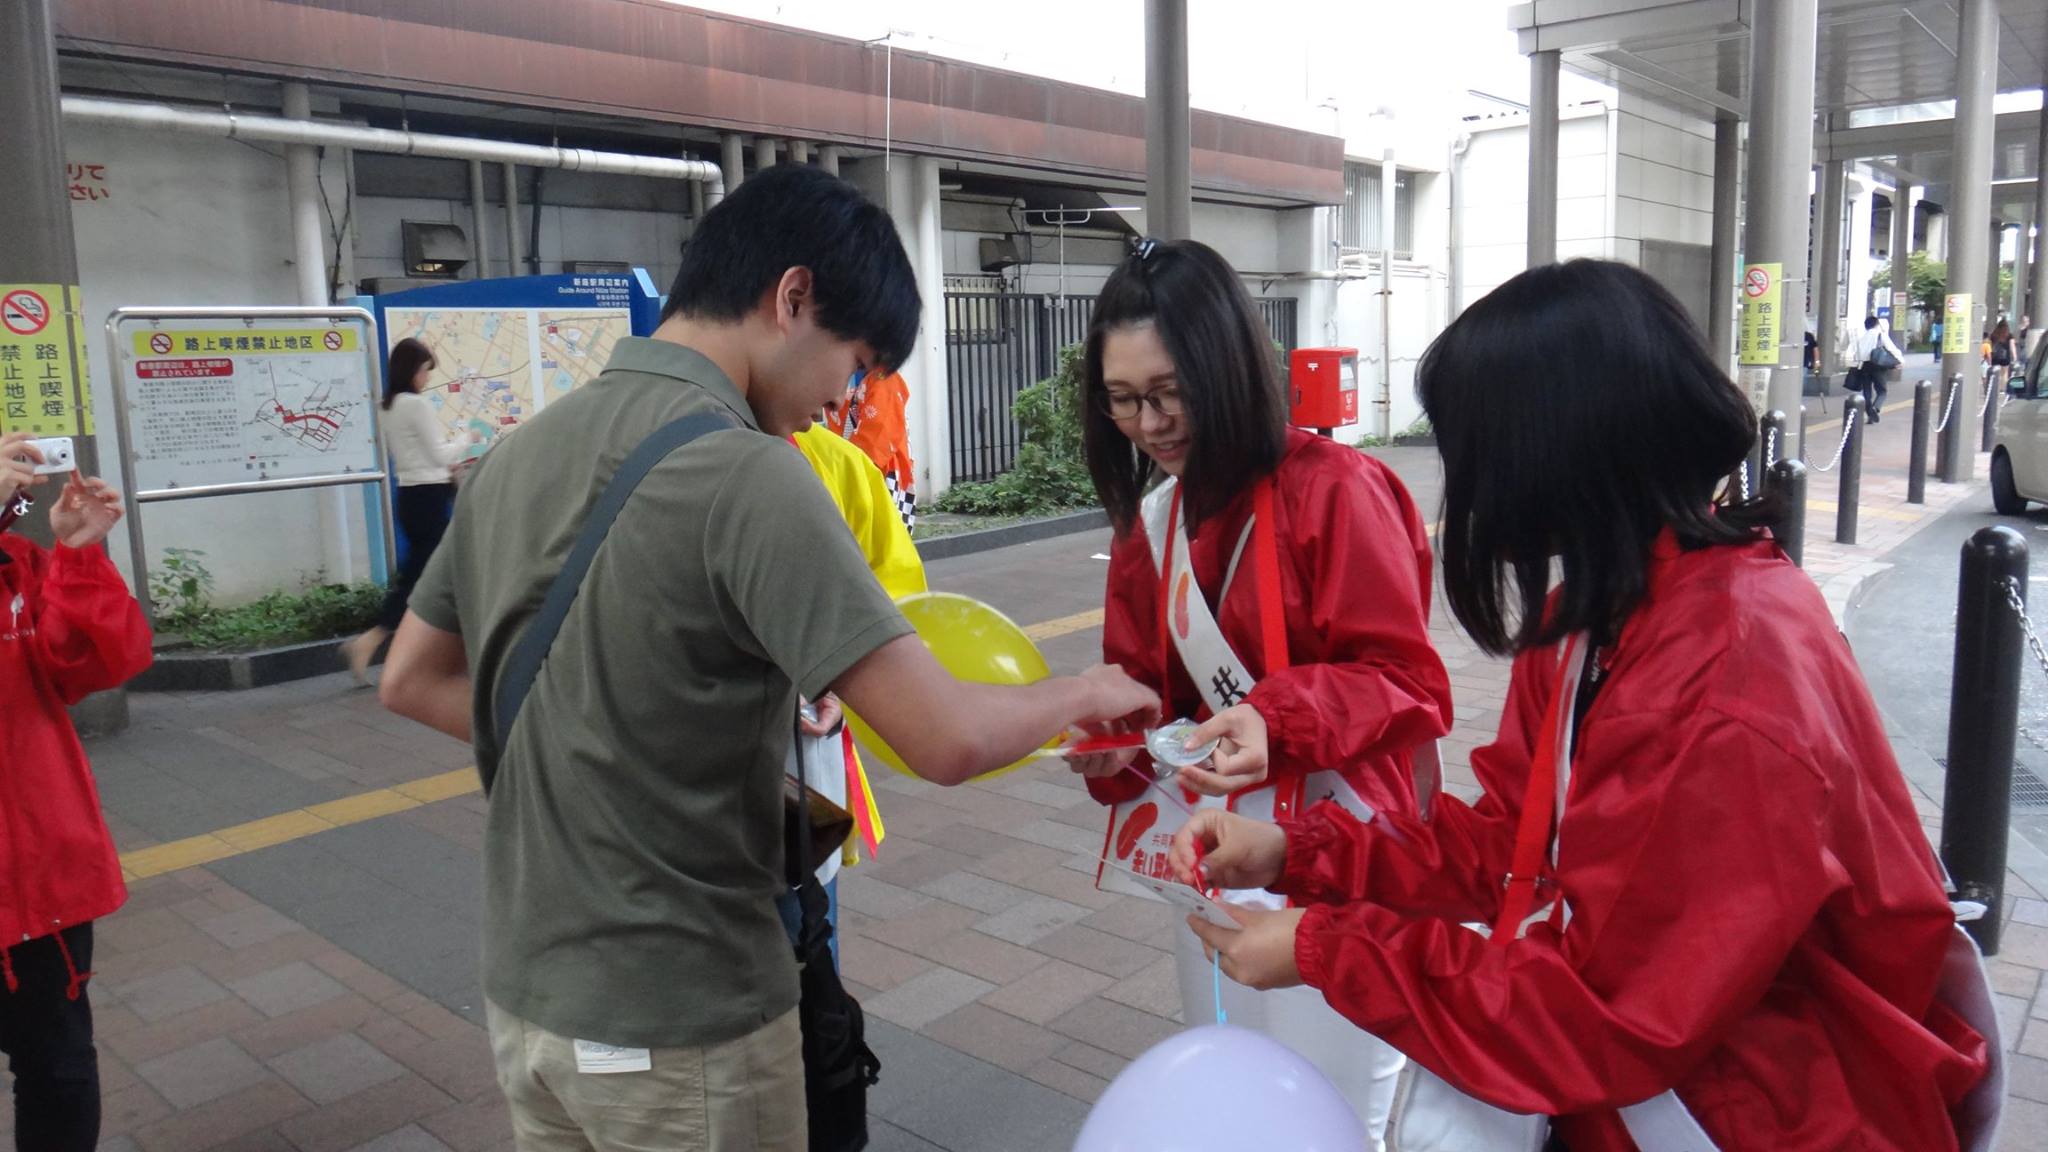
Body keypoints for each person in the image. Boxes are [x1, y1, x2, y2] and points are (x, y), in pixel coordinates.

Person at [378, 165, 1157, 1152]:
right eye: (855, 358)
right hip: (686, 1018)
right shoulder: (752, 474)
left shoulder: (520, 453)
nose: (846, 395)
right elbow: (944, 739)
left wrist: (603, 735)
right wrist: (1082, 688)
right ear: (791, 298)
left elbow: (412, 679)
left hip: (531, 1007)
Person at [1172, 260, 1993, 1151]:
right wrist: (1304, 851)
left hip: (1767, 1117)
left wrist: (1330, 951)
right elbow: (1513, 846)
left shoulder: (1727, 676)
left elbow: (1612, 1015)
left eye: (1472, 449)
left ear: (1551, 452)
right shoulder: (1600, 617)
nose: (1465, 484)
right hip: (1672, 1104)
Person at [1068, 238, 1451, 1150]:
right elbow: (1145, 696)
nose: (1150, 424)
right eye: (1123, 401)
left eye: (1169, 393)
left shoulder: (1338, 491)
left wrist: (1274, 720)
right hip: (1213, 851)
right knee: (1231, 1078)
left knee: (1337, 1098)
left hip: (1347, 846)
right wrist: (1113, 750)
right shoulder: (1151, 521)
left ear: (1228, 367)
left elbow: (1408, 683)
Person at [0, 431, 153, 1152]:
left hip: (37, 882)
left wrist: (79, 553)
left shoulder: (16, 564)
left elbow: (94, 665)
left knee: (58, 1070)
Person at [786, 422, 930, 960]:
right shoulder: (673, 449)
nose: (834, 400)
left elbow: (897, 597)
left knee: (809, 942)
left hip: (798, 774)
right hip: (691, 795)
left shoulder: (838, 463)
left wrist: (845, 686)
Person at [342, 337, 472, 683]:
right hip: (430, 499)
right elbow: (439, 456)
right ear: (413, 369)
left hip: (411, 497)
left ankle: (416, 647)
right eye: (425, 370)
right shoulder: (416, 405)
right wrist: (466, 438)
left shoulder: (387, 406)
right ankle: (376, 640)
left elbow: (416, 456)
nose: (427, 378)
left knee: (424, 574)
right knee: (427, 577)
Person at [829, 367, 918, 531]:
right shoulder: (870, 379)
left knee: (884, 529)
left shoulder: (885, 379)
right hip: (871, 462)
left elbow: (879, 430)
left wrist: (853, 464)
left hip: (881, 466)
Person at [1849, 314, 1904, 423]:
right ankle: (1876, 407)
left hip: (1864, 366)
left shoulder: (1862, 338)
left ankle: (1870, 415)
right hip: (1877, 365)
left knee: (1867, 392)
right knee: (1882, 390)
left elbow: (1856, 355)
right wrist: (1900, 360)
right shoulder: (1880, 335)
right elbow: (1891, 348)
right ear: (1877, 324)